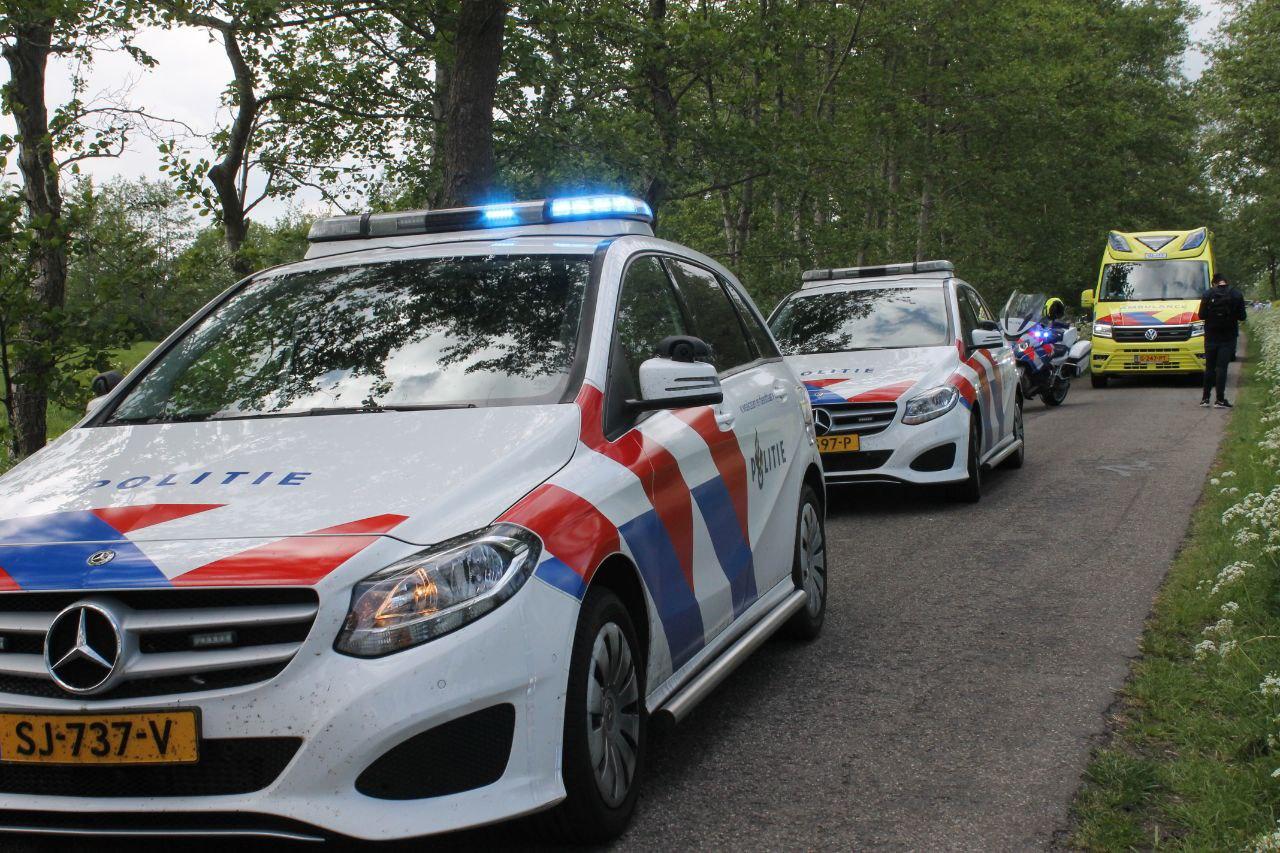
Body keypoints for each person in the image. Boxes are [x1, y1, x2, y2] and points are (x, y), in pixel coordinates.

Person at [1198, 272, 1247, 408]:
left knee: (1209, 368)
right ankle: (1220, 400)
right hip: (1228, 337)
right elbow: (1242, 316)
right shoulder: (1236, 294)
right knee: (1222, 368)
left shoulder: (1207, 294)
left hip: (1211, 336)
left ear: (1214, 283)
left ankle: (1205, 399)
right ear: (1226, 281)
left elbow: (1201, 315)